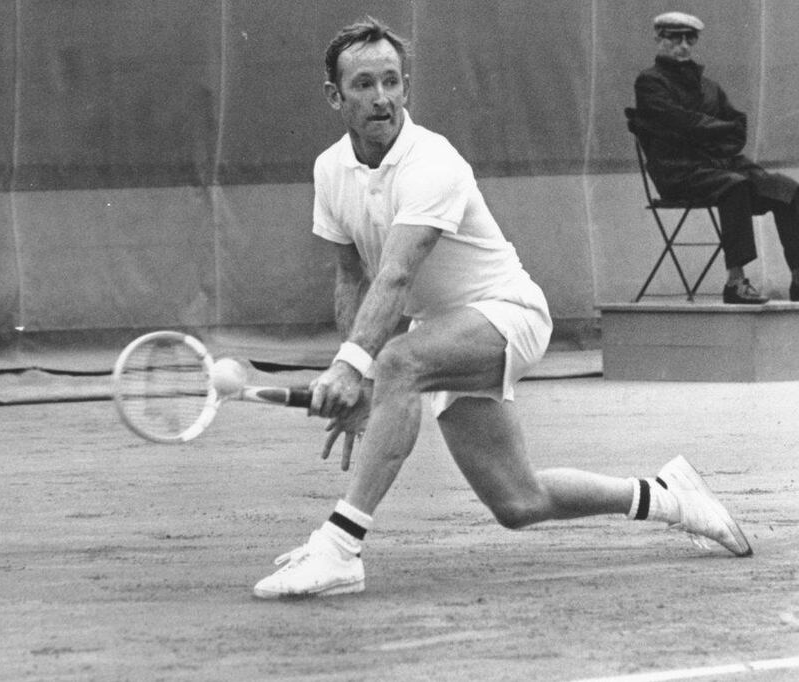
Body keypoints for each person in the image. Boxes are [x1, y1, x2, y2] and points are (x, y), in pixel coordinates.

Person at [253, 17, 752, 599]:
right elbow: (352, 277)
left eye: (392, 81)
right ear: (335, 96)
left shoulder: (432, 162)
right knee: (518, 501)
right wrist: (358, 376)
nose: (381, 97)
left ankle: (339, 549)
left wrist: (354, 367)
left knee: (398, 362)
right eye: (363, 85)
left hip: (508, 311)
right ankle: (669, 496)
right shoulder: (328, 170)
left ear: (406, 88)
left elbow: (395, 275)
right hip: (443, 328)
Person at [628, 11, 799, 304]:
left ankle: (798, 277)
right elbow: (678, 123)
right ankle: (736, 282)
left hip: (718, 166)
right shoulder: (650, 82)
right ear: (659, 39)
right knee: (735, 186)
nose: (682, 45)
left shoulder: (710, 87)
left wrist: (706, 132)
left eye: (689, 38)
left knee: (788, 189)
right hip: (678, 171)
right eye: (673, 38)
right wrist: (713, 131)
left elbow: (737, 129)